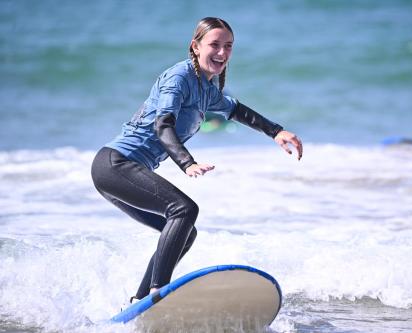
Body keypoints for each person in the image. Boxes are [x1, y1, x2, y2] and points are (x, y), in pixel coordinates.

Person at [91, 17, 303, 302]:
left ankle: (139, 302)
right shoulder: (179, 78)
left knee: (185, 233)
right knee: (184, 210)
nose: (222, 53)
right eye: (214, 44)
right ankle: (157, 293)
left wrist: (276, 131)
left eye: (228, 46)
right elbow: (162, 125)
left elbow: (237, 110)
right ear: (195, 46)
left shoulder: (206, 89)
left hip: (121, 171)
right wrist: (186, 162)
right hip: (114, 165)